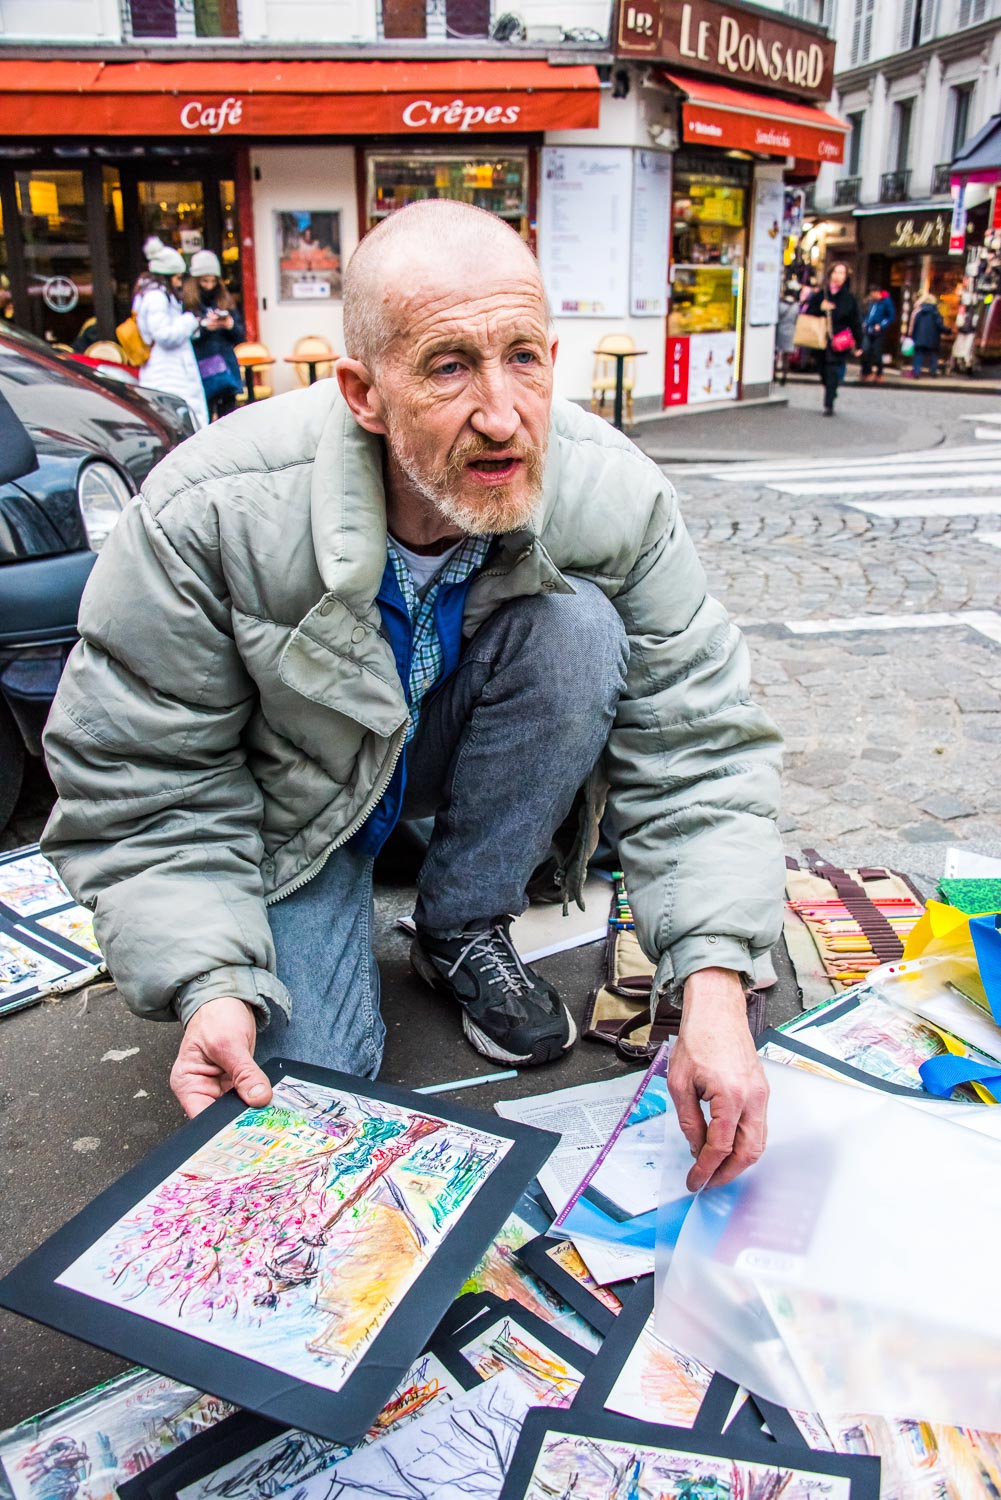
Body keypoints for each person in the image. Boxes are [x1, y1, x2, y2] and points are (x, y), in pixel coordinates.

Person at [41, 202, 784, 1193]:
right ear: (363, 392)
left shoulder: (613, 491)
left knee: (579, 628)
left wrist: (715, 986)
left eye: (523, 358)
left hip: (432, 758)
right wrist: (210, 980)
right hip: (287, 817)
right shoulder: (209, 510)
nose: (500, 414)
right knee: (298, 1110)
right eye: (448, 367)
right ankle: (314, 926)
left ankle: (460, 923)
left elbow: (697, 744)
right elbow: (144, 776)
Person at [133, 238, 209, 430]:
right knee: (177, 422)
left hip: (168, 369)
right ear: (166, 276)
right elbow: (164, 335)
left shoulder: (155, 295)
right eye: (177, 277)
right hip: (168, 372)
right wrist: (190, 321)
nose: (179, 282)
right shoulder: (157, 298)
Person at [183, 250, 246, 421]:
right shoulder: (187, 304)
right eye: (205, 281)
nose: (209, 285)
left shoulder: (225, 300)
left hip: (226, 368)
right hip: (202, 368)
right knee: (205, 418)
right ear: (196, 281)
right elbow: (182, 336)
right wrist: (204, 327)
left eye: (213, 281)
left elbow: (240, 336)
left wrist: (229, 325)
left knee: (230, 420)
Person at [806, 262, 863, 416]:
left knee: (832, 370)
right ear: (830, 274)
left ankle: (828, 404)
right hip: (820, 339)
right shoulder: (820, 295)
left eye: (842, 273)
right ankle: (831, 388)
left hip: (839, 341)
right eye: (836, 272)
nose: (838, 276)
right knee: (822, 370)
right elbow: (808, 314)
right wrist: (820, 308)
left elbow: (855, 322)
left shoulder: (849, 298)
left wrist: (859, 343)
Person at [860, 287, 895, 382]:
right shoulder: (869, 301)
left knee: (877, 352)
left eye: (873, 293)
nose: (872, 296)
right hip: (868, 330)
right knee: (865, 350)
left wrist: (881, 325)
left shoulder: (886, 302)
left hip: (878, 331)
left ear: (877, 293)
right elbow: (865, 313)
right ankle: (866, 372)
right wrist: (864, 322)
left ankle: (879, 372)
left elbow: (891, 316)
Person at [910, 292, 944, 379]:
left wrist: (913, 336)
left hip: (920, 337)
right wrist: (946, 331)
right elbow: (939, 325)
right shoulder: (936, 313)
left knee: (918, 354)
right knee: (933, 354)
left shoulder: (919, 313)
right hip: (933, 338)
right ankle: (933, 371)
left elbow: (915, 326)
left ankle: (917, 372)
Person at [774, 279, 801, 386]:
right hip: (791, 332)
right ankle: (784, 376)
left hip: (779, 331)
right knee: (786, 356)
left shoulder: (780, 304)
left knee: (776, 354)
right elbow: (797, 320)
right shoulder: (796, 306)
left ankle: (774, 374)